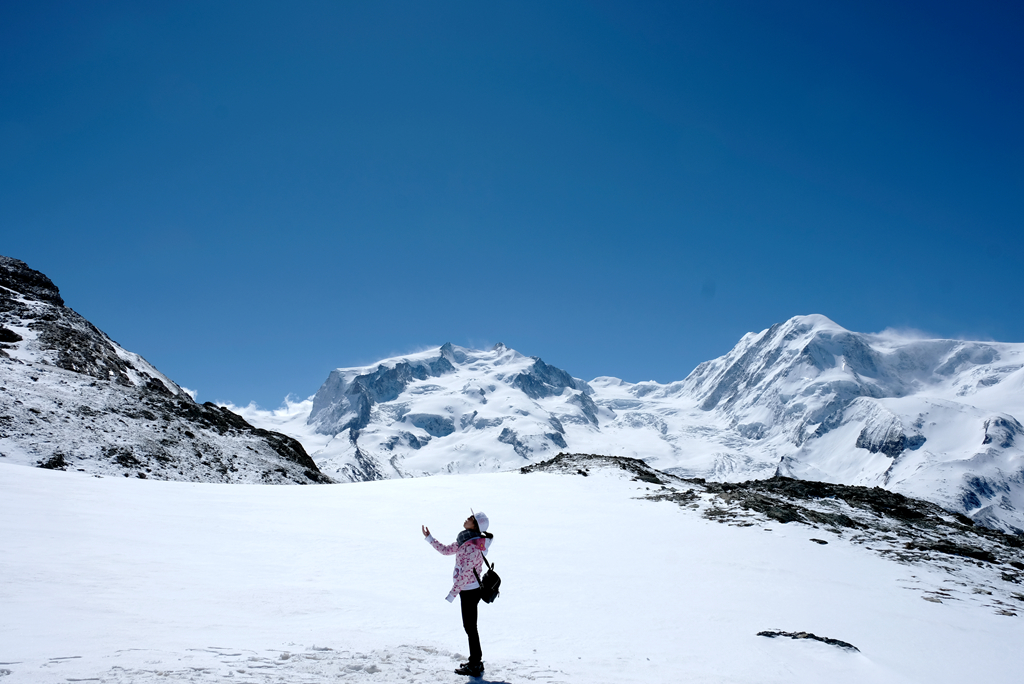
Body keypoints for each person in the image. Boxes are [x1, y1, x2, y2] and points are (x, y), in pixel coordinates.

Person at [422, 511, 493, 677]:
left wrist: (452, 594)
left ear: (475, 525)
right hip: (467, 590)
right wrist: (430, 538)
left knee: (470, 627)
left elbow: (466, 574)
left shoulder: (473, 547)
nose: (467, 518)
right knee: (470, 627)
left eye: (471, 518)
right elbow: (447, 550)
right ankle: (475, 661)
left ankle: (475, 664)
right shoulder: (467, 540)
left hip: (470, 590)